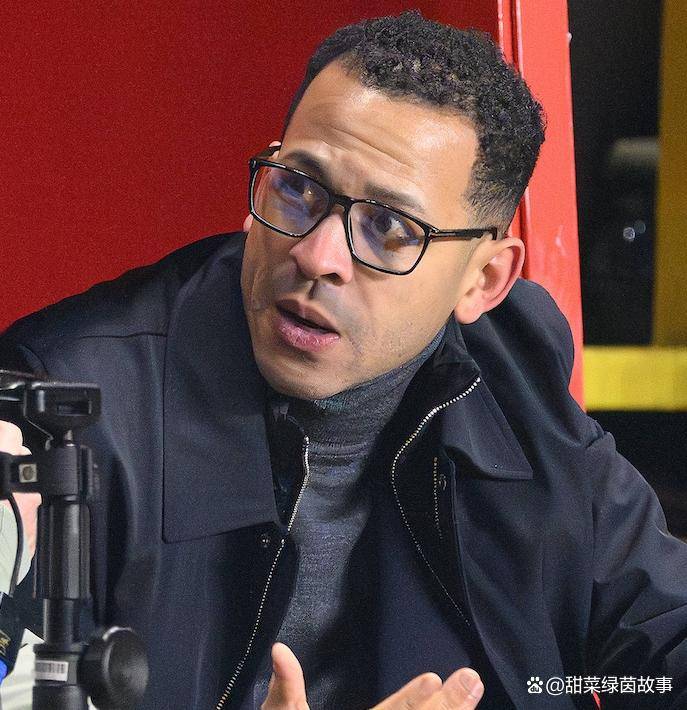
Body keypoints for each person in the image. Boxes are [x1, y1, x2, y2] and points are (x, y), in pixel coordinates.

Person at [1, 10, 686, 710]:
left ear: (483, 281)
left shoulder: (514, 378)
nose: (317, 255)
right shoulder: (63, 410)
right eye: (298, 188)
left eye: (390, 227)